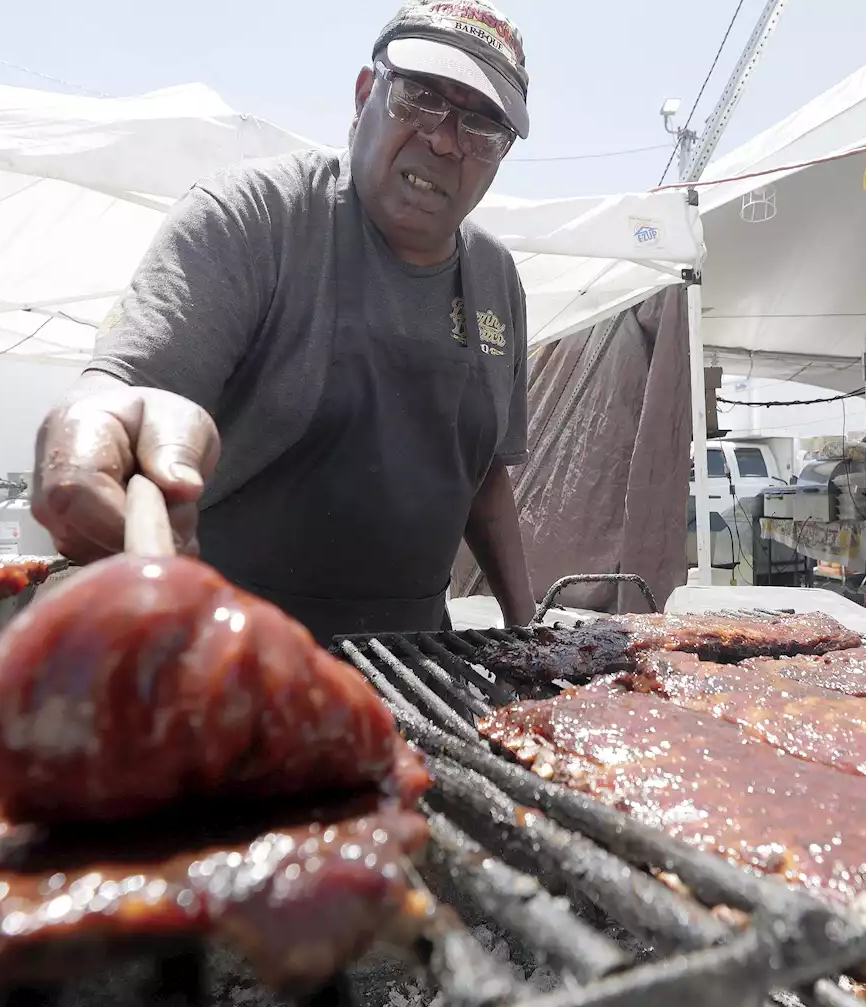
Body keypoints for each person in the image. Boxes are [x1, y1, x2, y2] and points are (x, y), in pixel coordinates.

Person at [31, 0, 536, 645]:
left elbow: (486, 478)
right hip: (226, 649)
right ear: (363, 96)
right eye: (419, 97)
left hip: (421, 664)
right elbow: (126, 384)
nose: (443, 139)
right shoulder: (252, 220)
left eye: (481, 127)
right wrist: (92, 420)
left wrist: (530, 629)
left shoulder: (496, 278)